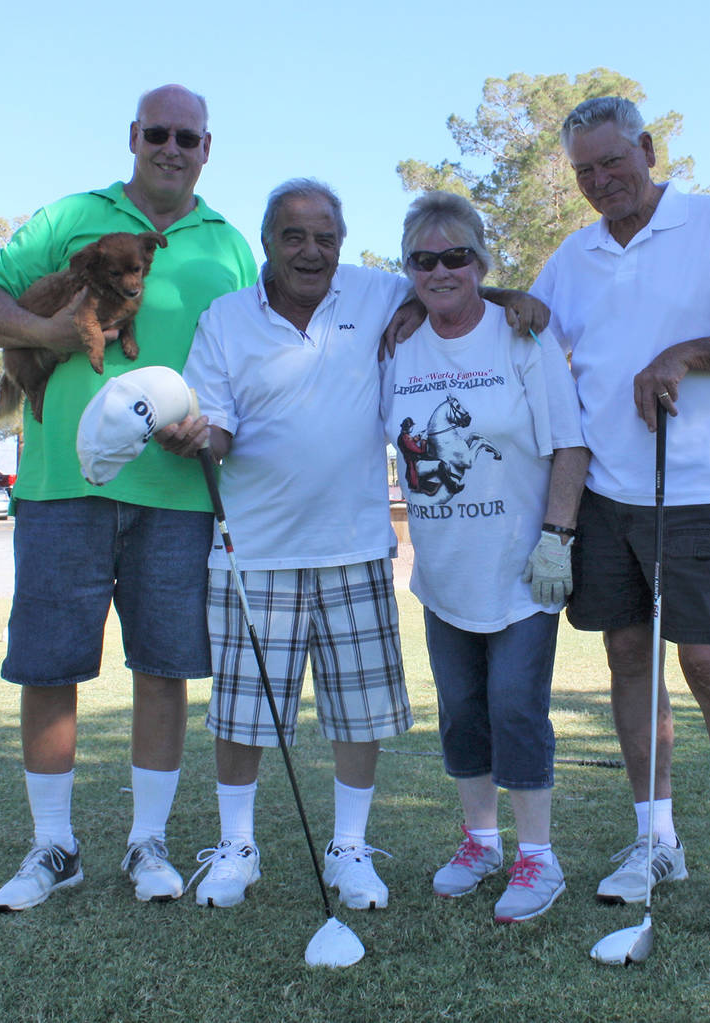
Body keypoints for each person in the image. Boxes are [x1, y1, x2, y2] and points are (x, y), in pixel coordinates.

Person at [160, 179, 549, 912]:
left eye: (326, 237)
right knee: (244, 714)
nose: (311, 251)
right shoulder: (225, 319)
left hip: (357, 545)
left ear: (342, 243)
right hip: (255, 551)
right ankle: (237, 846)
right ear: (267, 242)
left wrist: (512, 296)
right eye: (294, 236)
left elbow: (450, 283)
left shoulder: (374, 292)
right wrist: (192, 438)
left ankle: (349, 846)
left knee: (359, 713)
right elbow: (218, 430)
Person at [0, 84, 256, 911]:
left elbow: (250, 359)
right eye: (158, 132)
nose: (172, 147)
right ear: (133, 136)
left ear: (206, 148)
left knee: (163, 668)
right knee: (50, 667)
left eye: (188, 137)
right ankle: (54, 846)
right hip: (62, 487)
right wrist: (49, 333)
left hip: (178, 494)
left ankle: (147, 842)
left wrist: (214, 425)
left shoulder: (229, 244)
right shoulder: (69, 217)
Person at [531, 96, 710, 938]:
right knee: (627, 657)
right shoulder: (574, 256)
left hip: (692, 489)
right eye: (584, 171)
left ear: (648, 149)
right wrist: (446, 301)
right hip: (605, 493)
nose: (600, 181)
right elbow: (529, 327)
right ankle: (657, 839)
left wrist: (685, 352)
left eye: (613, 161)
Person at [380, 192, 588, 923]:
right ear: (408, 269)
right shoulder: (399, 343)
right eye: (423, 259)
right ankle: (480, 842)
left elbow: (569, 443)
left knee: (515, 706)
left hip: (522, 569)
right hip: (443, 572)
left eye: (456, 256)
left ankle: (539, 857)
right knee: (462, 711)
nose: (440, 271)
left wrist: (558, 538)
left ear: (481, 262)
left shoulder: (521, 335)